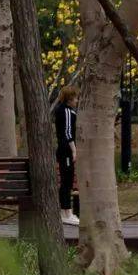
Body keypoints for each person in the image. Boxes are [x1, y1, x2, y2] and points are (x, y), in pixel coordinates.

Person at [54, 86, 78, 225]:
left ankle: (66, 211)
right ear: (69, 99)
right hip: (66, 151)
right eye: (75, 98)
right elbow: (68, 132)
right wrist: (74, 150)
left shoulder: (60, 110)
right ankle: (66, 212)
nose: (77, 100)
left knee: (66, 180)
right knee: (66, 181)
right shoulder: (67, 111)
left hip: (63, 150)